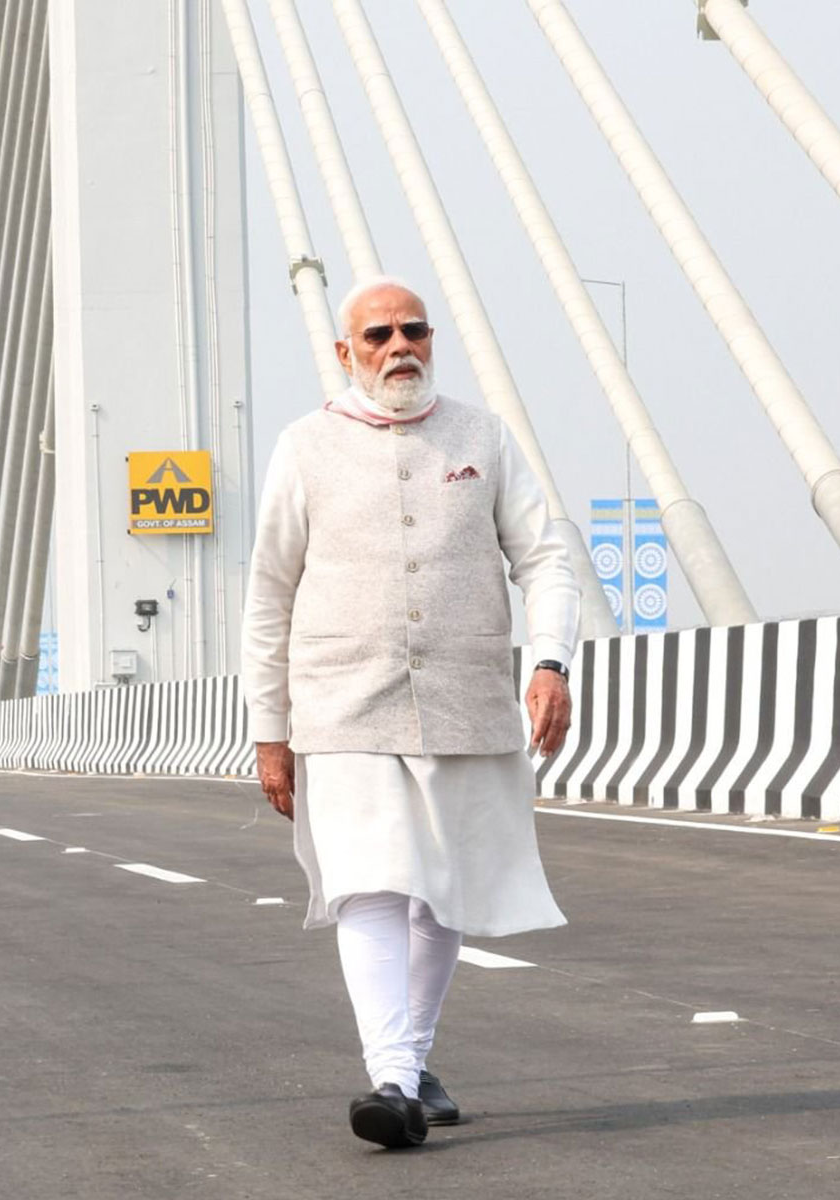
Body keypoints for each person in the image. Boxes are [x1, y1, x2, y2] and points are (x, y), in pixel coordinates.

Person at [240, 276, 579, 1149]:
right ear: (346, 353)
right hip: (342, 705)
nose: (401, 347)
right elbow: (269, 594)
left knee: (444, 896)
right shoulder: (304, 447)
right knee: (371, 884)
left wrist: (550, 663)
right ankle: (391, 1078)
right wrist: (267, 729)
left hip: (468, 701)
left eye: (414, 331)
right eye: (380, 334)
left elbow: (544, 559)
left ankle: (411, 1062)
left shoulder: (484, 437)